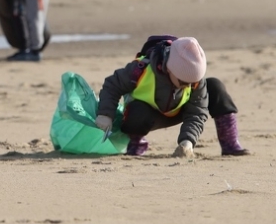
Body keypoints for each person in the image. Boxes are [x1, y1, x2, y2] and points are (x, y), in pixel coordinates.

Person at [94, 36, 249, 158]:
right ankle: (136, 144)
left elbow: (197, 112)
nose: (187, 86)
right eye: (182, 82)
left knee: (215, 86)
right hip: (145, 113)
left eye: (192, 82)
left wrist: (187, 142)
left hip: (179, 110)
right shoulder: (140, 69)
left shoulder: (194, 80)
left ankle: (230, 143)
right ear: (169, 69)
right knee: (138, 111)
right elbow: (112, 86)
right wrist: (105, 115)